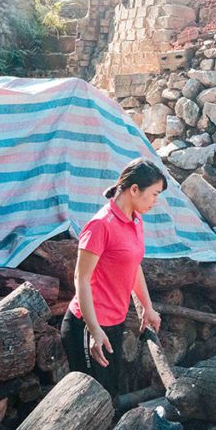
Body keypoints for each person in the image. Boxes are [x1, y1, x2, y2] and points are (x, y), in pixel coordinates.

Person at [60, 158, 165, 398]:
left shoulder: (136, 219)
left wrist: (147, 307)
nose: (155, 202)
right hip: (87, 325)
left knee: (109, 395)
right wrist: (94, 329)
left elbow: (133, 265)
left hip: (113, 323)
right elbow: (81, 278)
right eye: (154, 194)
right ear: (135, 189)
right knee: (92, 399)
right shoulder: (100, 225)